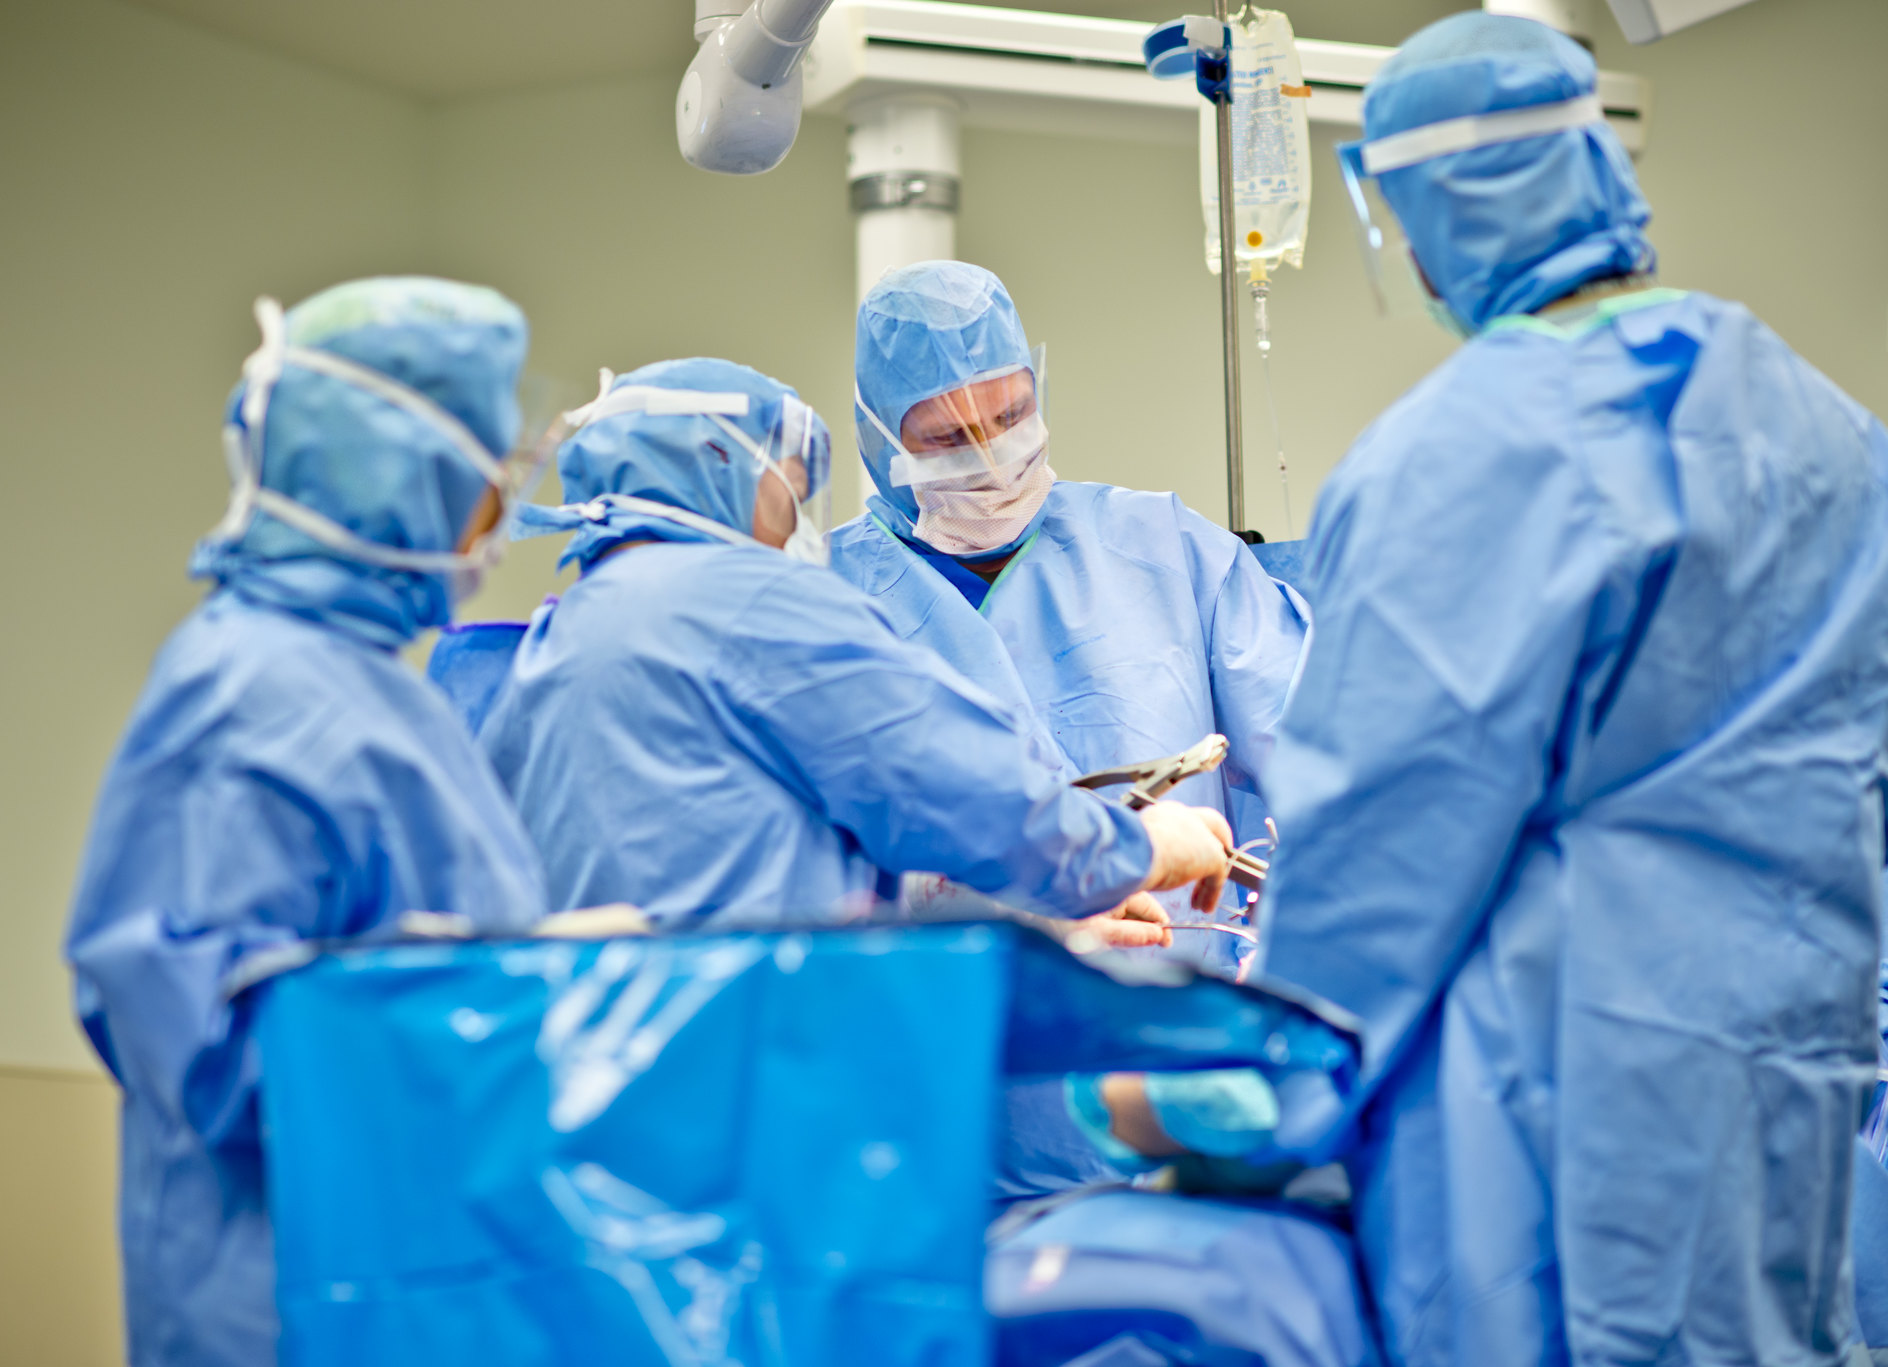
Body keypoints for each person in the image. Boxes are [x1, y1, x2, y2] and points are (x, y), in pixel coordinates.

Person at [1255, 14, 1888, 1367]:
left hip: (1563, 1077)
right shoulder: (1838, 435)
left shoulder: (1458, 455)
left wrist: (1248, 1098)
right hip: (1783, 1065)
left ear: (1423, 210)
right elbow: (1886, 784)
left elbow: (1375, 861)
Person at [66, 278, 554, 1367]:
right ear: (407, 471)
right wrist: (495, 1016)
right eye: (491, 469)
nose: (504, 508)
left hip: (407, 1275)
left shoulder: (369, 686)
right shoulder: (248, 696)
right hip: (285, 1303)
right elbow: (199, 1043)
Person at [480, 356, 1233, 935]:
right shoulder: (750, 604)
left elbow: (739, 846)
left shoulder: (560, 637)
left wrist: (1031, 911)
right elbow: (965, 790)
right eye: (789, 486)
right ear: (722, 468)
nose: (791, 522)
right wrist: (1141, 845)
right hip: (745, 1076)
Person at [831, 261, 1310, 970]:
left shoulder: (1169, 550)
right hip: (952, 1031)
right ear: (880, 441)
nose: (994, 460)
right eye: (950, 439)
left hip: (1177, 1014)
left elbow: (1324, 755)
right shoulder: (822, 602)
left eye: (1010, 417)